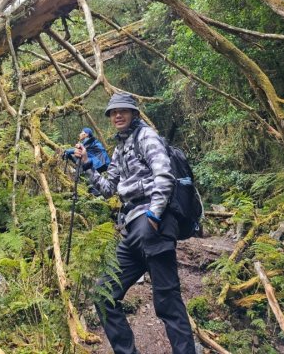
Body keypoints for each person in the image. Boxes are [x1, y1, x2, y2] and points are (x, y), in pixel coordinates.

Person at [74, 93, 195, 354]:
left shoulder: (146, 137)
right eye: (113, 112)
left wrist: (154, 215)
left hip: (154, 223)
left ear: (134, 113)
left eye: (123, 111)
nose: (117, 115)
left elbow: (165, 174)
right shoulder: (120, 148)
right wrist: (86, 166)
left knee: (167, 302)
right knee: (104, 295)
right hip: (132, 228)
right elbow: (109, 189)